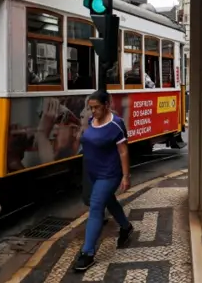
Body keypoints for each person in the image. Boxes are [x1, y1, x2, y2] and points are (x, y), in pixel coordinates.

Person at [74, 90, 134, 272]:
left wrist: (125, 176)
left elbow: (123, 151)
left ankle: (88, 253)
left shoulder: (116, 124)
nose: (93, 111)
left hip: (109, 174)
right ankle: (126, 226)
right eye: (90, 108)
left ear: (106, 105)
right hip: (92, 173)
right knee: (109, 201)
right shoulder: (92, 121)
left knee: (96, 207)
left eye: (96, 107)